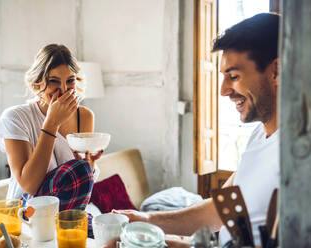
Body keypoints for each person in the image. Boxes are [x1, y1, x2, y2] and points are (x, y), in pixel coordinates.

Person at [110, 13, 280, 247]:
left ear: (277, 71)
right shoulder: (260, 136)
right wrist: (147, 220)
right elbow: (222, 208)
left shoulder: (302, 158)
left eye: (233, 76)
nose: (223, 90)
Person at [0, 44, 103, 236]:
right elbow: (29, 184)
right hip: (28, 211)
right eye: (54, 81)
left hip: (68, 210)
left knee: (113, 231)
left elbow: (81, 184)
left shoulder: (84, 117)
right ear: (37, 84)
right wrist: (51, 123)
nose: (63, 90)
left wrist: (90, 166)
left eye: (70, 81)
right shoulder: (16, 117)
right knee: (79, 170)